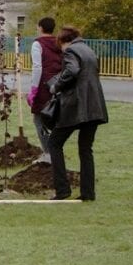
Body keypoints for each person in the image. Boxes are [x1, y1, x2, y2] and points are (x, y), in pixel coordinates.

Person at [45, 26, 108, 201]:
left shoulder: (71, 50)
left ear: (64, 41)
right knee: (86, 149)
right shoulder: (89, 50)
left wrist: (56, 86)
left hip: (76, 106)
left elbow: (72, 71)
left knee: (54, 143)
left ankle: (62, 189)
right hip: (94, 106)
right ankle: (88, 193)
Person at [26, 17, 63, 164]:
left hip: (43, 86)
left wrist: (34, 90)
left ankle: (48, 153)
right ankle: (54, 151)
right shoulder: (59, 43)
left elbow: (37, 67)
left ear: (40, 27)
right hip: (58, 85)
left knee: (39, 119)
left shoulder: (38, 44)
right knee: (54, 117)